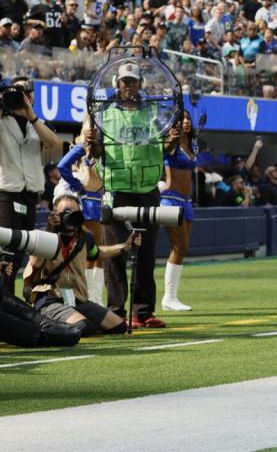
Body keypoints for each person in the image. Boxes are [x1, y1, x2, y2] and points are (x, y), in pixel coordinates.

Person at [87, 61, 166, 329]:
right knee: (115, 254)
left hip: (147, 190)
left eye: (133, 81)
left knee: (147, 253)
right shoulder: (103, 113)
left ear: (140, 84)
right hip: (116, 190)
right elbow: (96, 153)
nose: (129, 85)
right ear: (116, 84)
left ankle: (143, 312)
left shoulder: (156, 112)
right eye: (125, 81)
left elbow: (167, 145)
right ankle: (116, 312)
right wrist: (93, 145)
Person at [22, 193, 137, 336]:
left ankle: (71, 320)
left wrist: (124, 246)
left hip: (78, 300)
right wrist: (50, 230)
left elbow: (97, 254)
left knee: (119, 326)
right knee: (83, 327)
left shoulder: (85, 237)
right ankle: (47, 322)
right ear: (55, 214)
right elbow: (34, 265)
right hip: (50, 298)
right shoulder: (44, 236)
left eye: (73, 214)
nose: (69, 218)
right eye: (64, 214)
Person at [0, 77, 60, 296]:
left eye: (26, 90)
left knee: (20, 252)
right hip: (6, 193)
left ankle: (7, 300)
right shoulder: (2, 119)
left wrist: (30, 115)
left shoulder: (38, 123)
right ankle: (4, 302)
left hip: (29, 195)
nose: (22, 95)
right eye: (16, 90)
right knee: (6, 252)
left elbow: (54, 143)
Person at [55, 136, 105, 303]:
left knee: (95, 256)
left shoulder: (100, 164)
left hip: (95, 209)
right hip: (80, 212)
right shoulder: (76, 172)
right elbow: (62, 166)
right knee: (80, 257)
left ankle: (93, 299)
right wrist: (80, 148)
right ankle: (84, 299)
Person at [160, 111, 198, 312]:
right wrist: (170, 139)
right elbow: (164, 149)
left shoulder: (193, 144)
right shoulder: (171, 142)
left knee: (182, 248)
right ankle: (169, 297)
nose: (186, 122)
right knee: (179, 246)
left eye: (188, 119)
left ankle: (171, 297)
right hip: (170, 199)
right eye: (182, 119)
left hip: (187, 201)